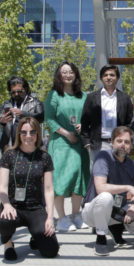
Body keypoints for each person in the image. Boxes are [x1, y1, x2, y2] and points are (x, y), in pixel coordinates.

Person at [80, 126, 134, 256]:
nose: (123, 145)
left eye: (127, 142)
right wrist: (128, 188)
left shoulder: (131, 165)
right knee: (106, 197)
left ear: (130, 146)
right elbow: (100, 187)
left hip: (117, 211)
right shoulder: (103, 156)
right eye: (119, 141)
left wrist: (133, 209)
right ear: (112, 142)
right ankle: (101, 237)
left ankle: (118, 227)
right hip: (93, 212)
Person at [0, 117, 58, 261]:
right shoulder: (9, 155)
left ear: (38, 134)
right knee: (5, 222)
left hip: (35, 208)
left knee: (50, 251)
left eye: (32, 132)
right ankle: (8, 245)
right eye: (24, 132)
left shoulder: (44, 157)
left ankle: (35, 237)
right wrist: (6, 205)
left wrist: (50, 218)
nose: (28, 136)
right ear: (19, 134)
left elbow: (48, 189)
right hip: (13, 207)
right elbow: (2, 187)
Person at [44, 61, 91, 232]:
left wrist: (83, 125)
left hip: (80, 144)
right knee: (62, 179)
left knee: (80, 178)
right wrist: (66, 133)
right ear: (59, 75)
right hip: (62, 143)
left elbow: (89, 116)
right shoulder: (54, 95)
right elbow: (49, 118)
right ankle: (62, 218)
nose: (68, 75)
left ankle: (76, 215)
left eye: (71, 71)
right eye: (64, 72)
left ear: (76, 74)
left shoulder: (83, 95)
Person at [80, 65, 134, 170]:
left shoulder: (125, 97)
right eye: (105, 75)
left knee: (118, 175)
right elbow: (85, 122)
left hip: (118, 143)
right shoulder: (91, 97)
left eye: (112, 75)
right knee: (98, 176)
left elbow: (129, 122)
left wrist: (126, 141)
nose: (108, 77)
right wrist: (87, 144)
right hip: (97, 144)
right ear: (101, 78)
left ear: (117, 78)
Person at [0, 76, 44, 153]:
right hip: (9, 147)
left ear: (26, 88)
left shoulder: (35, 102)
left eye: (20, 91)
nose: (16, 94)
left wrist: (23, 114)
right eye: (13, 92)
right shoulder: (7, 104)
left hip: (30, 147)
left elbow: (41, 118)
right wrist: (2, 121)